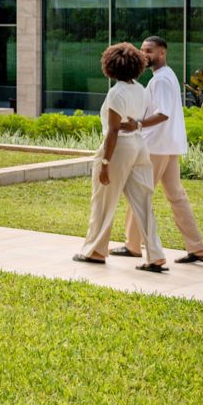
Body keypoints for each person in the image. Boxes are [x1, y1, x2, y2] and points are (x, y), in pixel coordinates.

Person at [112, 36, 203, 264]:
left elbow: (163, 113)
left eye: (149, 51)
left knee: (139, 193)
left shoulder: (161, 80)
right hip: (168, 146)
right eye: (142, 50)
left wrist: (137, 124)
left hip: (156, 147)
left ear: (162, 53)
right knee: (176, 196)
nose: (144, 54)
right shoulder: (166, 76)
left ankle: (133, 246)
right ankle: (197, 247)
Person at [73, 42, 168, 274]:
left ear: (110, 65)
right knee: (143, 203)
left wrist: (105, 163)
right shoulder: (139, 88)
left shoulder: (116, 93)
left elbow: (113, 131)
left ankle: (95, 251)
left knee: (103, 201)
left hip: (120, 149)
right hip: (138, 146)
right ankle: (156, 256)